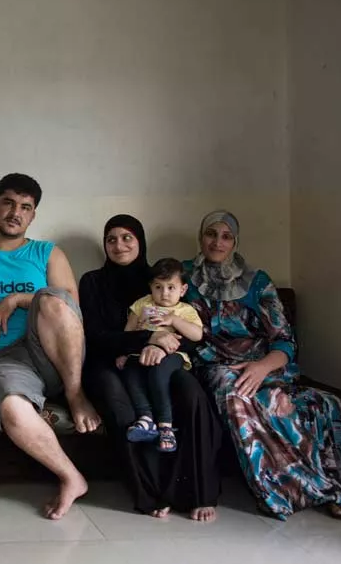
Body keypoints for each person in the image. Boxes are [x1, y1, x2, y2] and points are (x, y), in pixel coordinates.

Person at [184, 210, 341, 520]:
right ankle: (285, 491)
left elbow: (284, 341)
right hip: (214, 364)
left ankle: (324, 487)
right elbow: (162, 307)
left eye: (226, 236)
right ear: (201, 237)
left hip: (265, 365)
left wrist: (262, 367)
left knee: (317, 403)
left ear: (236, 241)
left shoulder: (257, 282)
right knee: (234, 393)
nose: (217, 242)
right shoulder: (184, 277)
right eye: (211, 234)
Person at [0, 173, 100, 521]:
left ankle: (76, 393)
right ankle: (71, 477)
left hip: (51, 354)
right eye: (8, 203)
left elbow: (70, 309)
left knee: (52, 300)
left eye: (25, 207)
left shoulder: (46, 252)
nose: (15, 212)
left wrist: (18, 299)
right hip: (2, 361)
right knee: (12, 409)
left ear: (33, 215)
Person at [80, 215, 220, 521]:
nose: (119, 245)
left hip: (165, 359)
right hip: (109, 362)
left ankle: (199, 493)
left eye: (127, 237)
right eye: (111, 239)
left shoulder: (163, 277)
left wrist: (160, 346)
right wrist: (146, 339)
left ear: (140, 241)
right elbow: (96, 336)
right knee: (125, 410)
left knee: (193, 397)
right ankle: (153, 494)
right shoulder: (92, 281)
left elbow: (193, 336)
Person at [117, 257, 204, 452]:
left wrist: (174, 320)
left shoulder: (184, 310)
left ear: (182, 290)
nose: (164, 293)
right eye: (158, 287)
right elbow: (127, 333)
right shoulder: (141, 304)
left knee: (158, 374)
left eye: (171, 288)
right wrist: (128, 347)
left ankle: (166, 425)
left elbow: (197, 334)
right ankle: (146, 418)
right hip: (140, 352)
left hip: (172, 356)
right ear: (151, 287)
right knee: (130, 373)